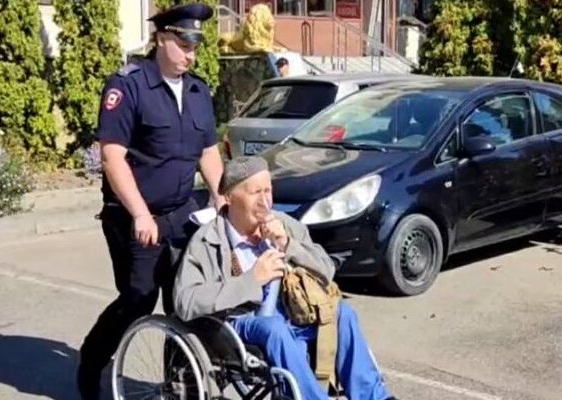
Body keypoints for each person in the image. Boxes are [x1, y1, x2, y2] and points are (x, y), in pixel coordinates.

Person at [76, 4, 225, 399]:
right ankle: (92, 361)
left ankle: (181, 386)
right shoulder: (128, 85)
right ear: (161, 38)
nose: (191, 54)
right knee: (138, 300)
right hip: (135, 217)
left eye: (195, 46)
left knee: (185, 300)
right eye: (184, 44)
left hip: (182, 213)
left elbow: (207, 151)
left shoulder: (198, 90)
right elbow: (112, 157)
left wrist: (220, 194)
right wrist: (140, 213)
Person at [173, 156, 397, 400]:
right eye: (255, 192)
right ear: (229, 197)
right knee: (274, 328)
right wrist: (252, 280)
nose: (265, 201)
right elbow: (186, 302)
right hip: (243, 321)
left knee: (343, 312)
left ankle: (374, 396)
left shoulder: (286, 225)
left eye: (268, 190)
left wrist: (288, 244)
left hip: (296, 309)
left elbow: (326, 269)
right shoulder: (207, 240)